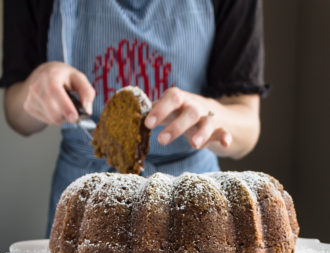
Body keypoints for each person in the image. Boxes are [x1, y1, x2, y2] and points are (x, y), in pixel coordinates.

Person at [1, 0, 268, 235]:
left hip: (192, 203)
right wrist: (34, 91)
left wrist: (212, 116)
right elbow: (16, 115)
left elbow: (246, 125)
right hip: (84, 199)